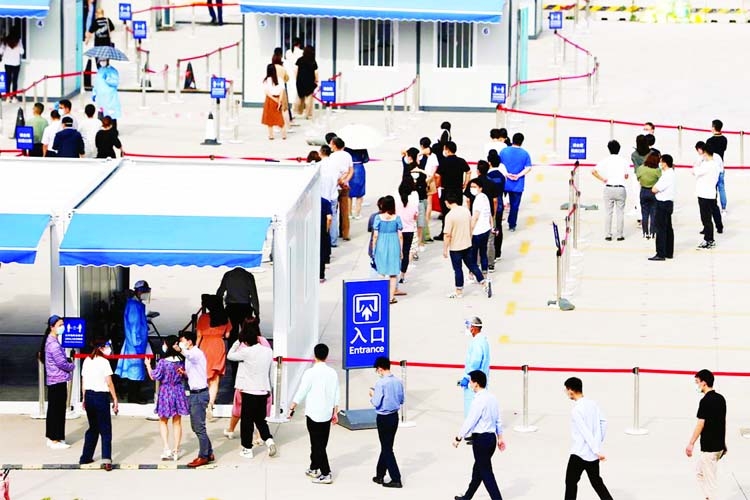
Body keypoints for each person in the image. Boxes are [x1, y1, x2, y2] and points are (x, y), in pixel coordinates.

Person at [289, 343, 340, 485]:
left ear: (314, 355)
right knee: (320, 443)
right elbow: (337, 392)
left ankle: (326, 473)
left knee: (317, 445)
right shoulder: (332, 373)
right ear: (327, 355)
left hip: (313, 413)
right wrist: (335, 411)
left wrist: (292, 407)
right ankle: (314, 467)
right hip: (327, 413)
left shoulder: (310, 373)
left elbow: (302, 391)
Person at [452, 370, 505, 500]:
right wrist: (500, 437)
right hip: (491, 439)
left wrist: (459, 437)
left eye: (471, 381)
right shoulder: (492, 398)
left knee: (486, 472)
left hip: (481, 440)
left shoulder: (478, 400)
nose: (469, 384)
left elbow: (470, 420)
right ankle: (467, 497)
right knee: (478, 471)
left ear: (476, 384)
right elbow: (498, 419)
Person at [226, 325, 277, 459]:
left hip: (249, 390)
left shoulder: (246, 352)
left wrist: (237, 341)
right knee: (261, 420)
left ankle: (247, 448)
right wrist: (270, 388)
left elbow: (230, 356)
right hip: (263, 389)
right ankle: (269, 440)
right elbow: (271, 372)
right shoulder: (268, 351)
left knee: (247, 422)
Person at [563, 377, 613, 500]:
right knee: (597, 483)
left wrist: (596, 449)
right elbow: (604, 422)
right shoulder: (593, 404)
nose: (566, 393)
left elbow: (585, 432)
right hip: (593, 455)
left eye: (566, 390)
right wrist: (597, 443)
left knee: (570, 483)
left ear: (571, 390)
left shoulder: (576, 410)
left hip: (579, 453)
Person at [144, 335, 189, 461]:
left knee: (163, 421)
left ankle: (166, 448)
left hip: (166, 391)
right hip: (178, 390)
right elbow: (186, 375)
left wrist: (148, 365)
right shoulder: (181, 361)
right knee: (177, 421)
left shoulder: (163, 362)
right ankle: (176, 450)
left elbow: (154, 376)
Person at [174, 331, 214, 468]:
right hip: (194, 393)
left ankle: (203, 456)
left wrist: (180, 350)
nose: (181, 343)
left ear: (189, 341)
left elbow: (189, 355)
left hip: (199, 394)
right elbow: (195, 372)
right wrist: (184, 373)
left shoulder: (195, 353)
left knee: (199, 427)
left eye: (183, 340)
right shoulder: (191, 355)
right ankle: (209, 452)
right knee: (197, 426)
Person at [686, 369, 727, 500]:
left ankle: (711, 497)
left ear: (704, 383)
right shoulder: (721, 399)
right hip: (718, 446)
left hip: (709, 448)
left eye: (697, 382)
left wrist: (691, 443)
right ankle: (708, 497)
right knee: (699, 472)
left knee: (710, 483)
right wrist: (723, 443)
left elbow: (700, 424)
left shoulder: (705, 401)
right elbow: (722, 422)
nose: (697, 385)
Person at [79, 338, 118, 471]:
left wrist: (84, 398)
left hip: (89, 396)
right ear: (101, 348)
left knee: (93, 428)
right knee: (105, 429)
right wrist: (115, 399)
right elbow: (109, 382)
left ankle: (85, 457)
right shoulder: (104, 362)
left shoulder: (87, 361)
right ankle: (106, 459)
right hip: (101, 397)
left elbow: (83, 382)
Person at [443, 193, 491, 299]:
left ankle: (459, 291)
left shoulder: (449, 216)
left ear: (447, 202)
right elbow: (471, 225)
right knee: (473, 265)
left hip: (455, 247)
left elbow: (447, 235)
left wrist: (445, 249)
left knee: (458, 269)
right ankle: (484, 283)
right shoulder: (466, 211)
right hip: (467, 244)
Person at [369, 356, 404, 489]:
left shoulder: (381, 383)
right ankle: (379, 474)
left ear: (380, 369)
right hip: (394, 417)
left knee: (387, 448)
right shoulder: (398, 381)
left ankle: (396, 478)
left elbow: (376, 402)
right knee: (387, 446)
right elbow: (401, 399)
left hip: (383, 417)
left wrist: (372, 395)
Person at [41, 315, 75, 449]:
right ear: (52, 327)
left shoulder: (52, 341)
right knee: (57, 410)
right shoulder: (53, 344)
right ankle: (54, 439)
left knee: (56, 410)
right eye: (60, 325)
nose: (63, 327)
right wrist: (71, 366)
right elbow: (61, 363)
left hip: (56, 380)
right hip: (57, 380)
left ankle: (55, 437)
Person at [115, 280, 151, 404]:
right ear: (140, 291)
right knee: (135, 370)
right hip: (135, 344)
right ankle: (134, 396)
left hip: (137, 342)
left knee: (136, 370)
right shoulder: (134, 306)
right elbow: (134, 326)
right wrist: (137, 342)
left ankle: (135, 394)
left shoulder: (136, 304)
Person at [196, 294, 231, 420]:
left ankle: (203, 402)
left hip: (205, 346)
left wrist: (195, 349)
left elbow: (199, 335)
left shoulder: (203, 318)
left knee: (204, 375)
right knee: (215, 379)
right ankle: (211, 404)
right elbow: (227, 335)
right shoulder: (225, 318)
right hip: (218, 346)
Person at [592, 140, 629, 242]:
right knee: (620, 212)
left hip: (608, 187)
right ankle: (620, 235)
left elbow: (593, 171)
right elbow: (626, 176)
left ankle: (608, 234)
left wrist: (603, 179)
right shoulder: (624, 161)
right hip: (620, 188)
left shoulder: (605, 160)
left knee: (608, 212)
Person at [434, 141, 470, 240]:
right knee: (457, 211)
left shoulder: (444, 162)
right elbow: (468, 171)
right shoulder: (461, 161)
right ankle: (457, 232)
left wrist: (437, 185)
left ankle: (445, 232)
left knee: (446, 213)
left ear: (447, 150)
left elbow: (437, 175)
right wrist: (465, 183)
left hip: (446, 190)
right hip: (458, 190)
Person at [371, 195, 404, 304]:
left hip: (381, 244)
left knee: (381, 272)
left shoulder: (378, 218)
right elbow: (400, 236)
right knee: (393, 273)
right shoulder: (397, 218)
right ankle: (391, 297)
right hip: (394, 244)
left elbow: (375, 235)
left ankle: (381, 295)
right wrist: (401, 250)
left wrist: (373, 248)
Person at [499, 133, 532, 232]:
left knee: (499, 204)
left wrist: (507, 174)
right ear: (522, 141)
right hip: (517, 184)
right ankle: (512, 224)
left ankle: (498, 222)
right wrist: (518, 175)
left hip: (504, 181)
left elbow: (499, 164)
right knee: (514, 205)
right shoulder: (525, 154)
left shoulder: (504, 151)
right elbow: (528, 168)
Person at [458, 317, 490, 417]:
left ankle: (471, 432)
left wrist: (467, 378)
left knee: (471, 410)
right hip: (481, 381)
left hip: (474, 382)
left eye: (469, 326)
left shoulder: (477, 343)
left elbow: (475, 362)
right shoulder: (483, 341)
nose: (467, 328)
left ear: (474, 328)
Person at [693, 142, 722, 249]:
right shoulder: (715, 164)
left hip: (704, 194)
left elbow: (695, 171)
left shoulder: (707, 165)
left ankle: (709, 240)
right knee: (707, 218)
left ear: (705, 152)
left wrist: (699, 162)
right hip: (709, 193)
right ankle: (709, 238)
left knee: (706, 219)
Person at [649, 154, 675, 261]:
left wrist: (653, 188)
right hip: (668, 203)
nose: (660, 164)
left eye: (661, 162)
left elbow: (655, 189)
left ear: (664, 163)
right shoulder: (671, 173)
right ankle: (669, 252)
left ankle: (660, 253)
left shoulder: (667, 175)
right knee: (668, 228)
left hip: (662, 204)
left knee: (660, 229)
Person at [395, 177, 418, 291]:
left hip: (397, 230)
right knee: (406, 252)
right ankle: (402, 275)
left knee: (396, 252)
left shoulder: (396, 201)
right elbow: (415, 216)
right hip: (409, 230)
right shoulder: (413, 202)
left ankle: (394, 273)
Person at [330, 137, 354, 243]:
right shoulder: (347, 155)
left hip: (335, 186)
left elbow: (333, 171)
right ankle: (345, 233)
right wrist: (345, 181)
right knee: (345, 211)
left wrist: (339, 181)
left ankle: (333, 233)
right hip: (345, 185)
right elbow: (350, 170)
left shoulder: (333, 156)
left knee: (333, 211)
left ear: (335, 145)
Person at [467, 179, 493, 275]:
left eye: (474, 187)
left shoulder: (477, 200)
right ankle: (484, 270)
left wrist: (470, 231)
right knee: (483, 251)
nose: (472, 189)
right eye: (471, 187)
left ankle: (472, 273)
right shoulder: (485, 197)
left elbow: (475, 217)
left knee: (473, 254)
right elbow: (489, 213)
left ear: (480, 188)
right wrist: (491, 226)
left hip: (478, 231)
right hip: (486, 229)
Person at [486, 151, 505, 264]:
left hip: (491, 205)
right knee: (499, 227)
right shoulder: (501, 176)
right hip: (500, 204)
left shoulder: (489, 176)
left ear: (489, 163)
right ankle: (498, 252)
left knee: (491, 230)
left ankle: (490, 253)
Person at [636, 151, 661, 239]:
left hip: (643, 191)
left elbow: (638, 178)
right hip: (654, 191)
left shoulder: (641, 168)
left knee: (644, 213)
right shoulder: (657, 170)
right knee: (654, 213)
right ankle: (652, 232)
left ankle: (645, 232)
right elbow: (661, 180)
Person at [418, 137, 439, 244]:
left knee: (423, 201)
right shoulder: (434, 156)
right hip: (430, 180)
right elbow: (434, 170)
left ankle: (425, 220)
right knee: (429, 202)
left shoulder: (420, 155)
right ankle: (427, 218)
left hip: (423, 180)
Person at [92, 60, 122, 130]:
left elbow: (116, 82)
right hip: (100, 98)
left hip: (110, 98)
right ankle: (101, 130)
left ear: (107, 60)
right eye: (101, 60)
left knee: (111, 115)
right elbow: (96, 83)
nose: (102, 62)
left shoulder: (113, 71)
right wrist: (94, 92)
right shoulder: (100, 71)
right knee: (101, 116)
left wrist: (108, 78)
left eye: (104, 60)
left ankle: (113, 131)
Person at [706, 119, 727, 213]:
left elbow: (708, 153)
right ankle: (723, 208)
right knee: (721, 187)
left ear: (714, 127)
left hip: (712, 166)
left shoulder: (709, 140)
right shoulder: (724, 139)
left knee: (712, 187)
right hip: (721, 165)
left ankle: (713, 206)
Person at [261, 64, 287, 140]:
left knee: (270, 118)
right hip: (278, 98)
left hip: (270, 100)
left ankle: (271, 135)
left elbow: (267, 92)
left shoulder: (266, 80)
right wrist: (279, 100)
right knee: (280, 117)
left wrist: (274, 99)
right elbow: (282, 90)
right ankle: (284, 135)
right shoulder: (280, 79)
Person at [295, 45, 319, 119]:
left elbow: (296, 71)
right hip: (310, 82)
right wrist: (316, 80)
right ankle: (308, 114)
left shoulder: (300, 60)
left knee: (299, 97)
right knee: (309, 99)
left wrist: (297, 79)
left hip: (300, 81)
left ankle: (298, 112)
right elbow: (316, 72)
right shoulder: (313, 61)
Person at [630, 134, 650, 220]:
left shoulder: (634, 154)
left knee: (638, 197)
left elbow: (636, 167)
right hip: (649, 175)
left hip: (637, 176)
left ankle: (640, 217)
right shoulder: (651, 153)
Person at [0, 32, 23, 102]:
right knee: (15, 80)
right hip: (16, 63)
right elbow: (22, 52)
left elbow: (0, 51)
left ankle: (7, 97)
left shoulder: (5, 41)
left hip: (7, 63)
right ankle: (14, 97)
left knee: (8, 80)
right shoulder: (19, 41)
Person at [320, 196, 332, 283]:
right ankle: (321, 275)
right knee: (322, 252)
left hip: (311, 230)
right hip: (322, 229)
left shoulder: (309, 202)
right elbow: (329, 218)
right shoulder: (325, 202)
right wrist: (327, 229)